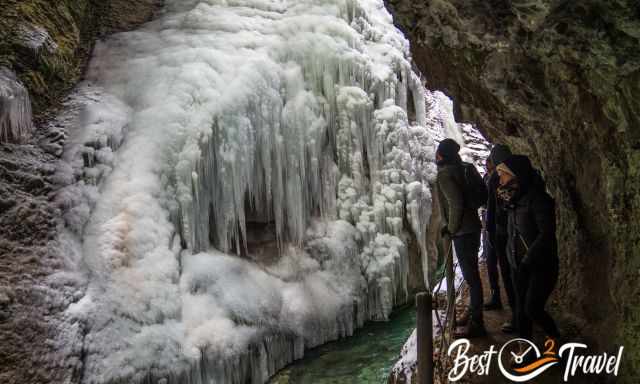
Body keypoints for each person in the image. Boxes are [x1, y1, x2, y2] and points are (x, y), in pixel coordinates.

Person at [496, 155, 560, 350]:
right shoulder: (512, 199)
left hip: (540, 265)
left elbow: (547, 233)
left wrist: (527, 260)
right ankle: (526, 349)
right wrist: (512, 259)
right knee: (521, 310)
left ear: (516, 175)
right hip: (518, 265)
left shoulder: (538, 200)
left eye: (503, 175)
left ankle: (556, 342)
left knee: (532, 307)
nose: (500, 180)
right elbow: (509, 231)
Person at [435, 138, 486, 338]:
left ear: (443, 155)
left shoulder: (445, 174)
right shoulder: (466, 168)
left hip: (463, 232)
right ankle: (473, 314)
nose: (436, 156)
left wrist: (451, 228)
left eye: (438, 153)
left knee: (472, 278)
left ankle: (477, 324)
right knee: (472, 275)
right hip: (473, 227)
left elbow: (456, 203)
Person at [485, 144, 518, 333]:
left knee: (508, 273)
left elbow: (491, 209)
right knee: (517, 274)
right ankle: (520, 312)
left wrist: (489, 231)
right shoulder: (518, 175)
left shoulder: (495, 179)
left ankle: (516, 315)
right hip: (517, 231)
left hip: (502, 232)